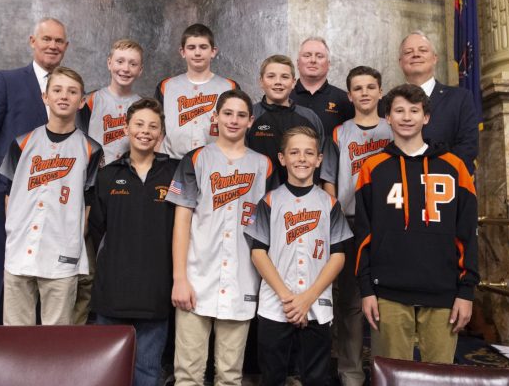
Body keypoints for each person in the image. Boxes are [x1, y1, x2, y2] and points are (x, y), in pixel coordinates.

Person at [355, 83, 479, 364]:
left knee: (438, 378)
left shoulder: (454, 167)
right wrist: (366, 289)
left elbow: (468, 234)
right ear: (388, 117)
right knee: (391, 376)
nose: (407, 117)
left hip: (443, 291)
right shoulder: (372, 168)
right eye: (399, 110)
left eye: (414, 110)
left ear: (427, 117)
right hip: (387, 292)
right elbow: (364, 235)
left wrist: (466, 291)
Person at [167, 89, 275, 386]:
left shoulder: (263, 165)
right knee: (188, 374)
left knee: (230, 376)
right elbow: (182, 221)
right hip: (197, 277)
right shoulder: (196, 158)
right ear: (215, 117)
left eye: (241, 115)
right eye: (227, 113)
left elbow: (270, 228)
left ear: (251, 121)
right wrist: (180, 278)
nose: (234, 120)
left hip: (242, 278)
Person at [0, 17, 70, 325]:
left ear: (66, 47)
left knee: (42, 273)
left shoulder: (69, 88)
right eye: (46, 39)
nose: (52, 45)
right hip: (7, 195)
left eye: (59, 41)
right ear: (32, 41)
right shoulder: (7, 80)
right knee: (2, 267)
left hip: (52, 199)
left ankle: (32, 345)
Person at [245, 126, 351, 386]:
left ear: (319, 159)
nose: (301, 159)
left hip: (317, 305)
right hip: (275, 305)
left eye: (308, 153)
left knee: (316, 377)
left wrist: (307, 299)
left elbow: (338, 256)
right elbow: (258, 252)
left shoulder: (330, 203)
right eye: (294, 152)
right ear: (282, 159)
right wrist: (288, 298)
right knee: (272, 377)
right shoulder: (269, 201)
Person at [0, 67, 103, 326]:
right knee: (15, 333)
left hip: (62, 252)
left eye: (72, 91)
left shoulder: (91, 149)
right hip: (20, 250)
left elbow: (88, 203)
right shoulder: (22, 143)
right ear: (45, 96)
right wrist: (15, 232)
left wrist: (75, 237)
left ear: (81, 101)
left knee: (56, 337)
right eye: (57, 90)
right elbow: (9, 195)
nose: (64, 96)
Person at [90, 98, 178, 386]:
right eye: (139, 124)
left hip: (156, 291)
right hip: (113, 290)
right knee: (107, 372)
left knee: (147, 372)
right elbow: (98, 230)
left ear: (161, 135)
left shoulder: (177, 173)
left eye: (153, 126)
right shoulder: (107, 175)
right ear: (126, 129)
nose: (145, 131)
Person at [321, 66, 392, 386]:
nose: (365, 93)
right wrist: (333, 220)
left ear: (380, 92)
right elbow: (329, 182)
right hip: (349, 222)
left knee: (384, 302)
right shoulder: (339, 133)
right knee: (349, 303)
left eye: (371, 87)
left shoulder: (394, 131)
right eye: (358, 88)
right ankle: (350, 372)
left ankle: (383, 370)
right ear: (349, 96)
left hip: (388, 224)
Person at [73, 39, 144, 324]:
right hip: (91, 190)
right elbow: (76, 144)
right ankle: (77, 333)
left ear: (140, 70)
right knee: (85, 268)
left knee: (119, 260)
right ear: (109, 63)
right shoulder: (90, 101)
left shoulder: (142, 105)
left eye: (132, 63)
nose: (125, 68)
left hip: (125, 189)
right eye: (120, 61)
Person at [155, 24, 239, 160]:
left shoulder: (229, 87)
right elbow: (156, 128)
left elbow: (239, 129)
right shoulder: (166, 86)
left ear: (213, 51)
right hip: (172, 162)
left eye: (203, 47)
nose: (197, 53)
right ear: (183, 52)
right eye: (191, 47)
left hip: (216, 161)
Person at [398, 31, 478, 173]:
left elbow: (468, 147)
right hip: (398, 186)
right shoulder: (386, 103)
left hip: (447, 185)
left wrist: (427, 177)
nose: (416, 54)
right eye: (408, 52)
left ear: (435, 58)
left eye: (422, 50)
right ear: (400, 62)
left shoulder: (461, 98)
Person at [248, 54, 324, 184]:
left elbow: (320, 160)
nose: (278, 82)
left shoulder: (310, 117)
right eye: (271, 76)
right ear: (261, 81)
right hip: (257, 195)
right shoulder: (250, 116)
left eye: (284, 77)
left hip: (301, 196)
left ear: (293, 82)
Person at [290, 37, 354, 138]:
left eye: (319, 56)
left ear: (328, 64)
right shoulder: (284, 97)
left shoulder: (345, 100)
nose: (313, 60)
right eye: (307, 55)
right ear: (298, 63)